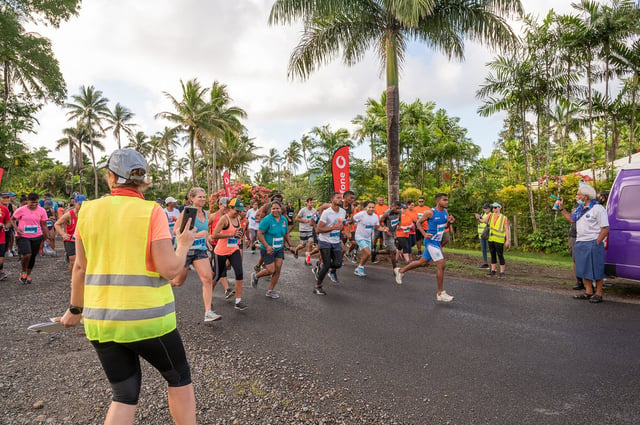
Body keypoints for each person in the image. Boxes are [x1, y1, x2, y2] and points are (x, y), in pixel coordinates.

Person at [60, 148, 197, 425]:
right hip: (148, 320)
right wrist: (182, 245)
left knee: (124, 394)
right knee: (178, 376)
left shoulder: (87, 210)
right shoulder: (151, 211)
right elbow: (170, 269)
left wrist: (75, 309)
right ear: (142, 179)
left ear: (110, 176)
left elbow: (80, 267)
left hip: (101, 322)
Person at [171, 188, 222, 322]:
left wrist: (206, 240)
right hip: (185, 250)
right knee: (177, 282)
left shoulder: (206, 214)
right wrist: (194, 235)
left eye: (204, 197)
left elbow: (204, 232)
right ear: (192, 198)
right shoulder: (187, 212)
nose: (203, 199)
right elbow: (176, 231)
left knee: (207, 278)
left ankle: (208, 312)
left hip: (199, 250)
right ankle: (159, 288)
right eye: (200, 197)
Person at [394, 193, 455, 302]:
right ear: (438, 201)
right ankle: (440, 293)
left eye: (447, 200)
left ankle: (401, 271)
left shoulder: (445, 212)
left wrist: (449, 223)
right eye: (444, 200)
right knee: (441, 265)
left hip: (437, 242)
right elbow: (418, 223)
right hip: (430, 241)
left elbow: (443, 227)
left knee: (422, 263)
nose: (447, 202)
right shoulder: (430, 212)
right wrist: (424, 234)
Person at [557, 183, 609, 303]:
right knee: (583, 268)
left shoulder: (597, 208)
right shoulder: (580, 209)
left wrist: (597, 242)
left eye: (578, 195)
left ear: (585, 196)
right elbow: (571, 219)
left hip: (593, 242)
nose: (576, 196)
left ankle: (599, 294)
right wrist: (561, 209)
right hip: (580, 242)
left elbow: (605, 228)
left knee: (596, 268)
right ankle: (588, 291)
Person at [211, 198, 247, 310]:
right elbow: (214, 235)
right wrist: (231, 234)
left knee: (239, 273)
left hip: (233, 249)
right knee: (217, 276)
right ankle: (208, 296)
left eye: (240, 210)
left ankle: (238, 301)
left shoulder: (239, 217)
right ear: (230, 208)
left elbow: (239, 232)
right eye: (237, 210)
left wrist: (241, 237)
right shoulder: (224, 219)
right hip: (221, 251)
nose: (239, 212)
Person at [251, 201, 292, 299]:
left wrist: (290, 245)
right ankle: (256, 276)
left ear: (281, 209)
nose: (275, 210)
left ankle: (270, 290)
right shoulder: (267, 220)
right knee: (270, 270)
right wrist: (267, 246)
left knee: (278, 269)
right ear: (271, 209)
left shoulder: (283, 220)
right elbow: (259, 234)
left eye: (277, 208)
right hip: (267, 248)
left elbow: (286, 233)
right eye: (273, 208)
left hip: (279, 248)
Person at [312, 192, 346, 295]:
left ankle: (320, 266)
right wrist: (333, 228)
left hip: (335, 241)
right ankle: (317, 286)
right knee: (327, 265)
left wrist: (343, 233)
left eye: (341, 198)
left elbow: (340, 225)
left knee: (338, 264)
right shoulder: (327, 213)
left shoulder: (343, 212)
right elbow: (318, 229)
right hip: (325, 241)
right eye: (338, 198)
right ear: (332, 200)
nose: (341, 199)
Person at [11, 192, 50, 284]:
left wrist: (46, 235)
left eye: (36, 203)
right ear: (27, 201)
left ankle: (28, 274)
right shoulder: (21, 210)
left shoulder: (41, 210)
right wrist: (17, 229)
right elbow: (12, 219)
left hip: (37, 236)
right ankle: (23, 271)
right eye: (32, 203)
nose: (34, 205)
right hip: (23, 235)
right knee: (27, 254)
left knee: (32, 256)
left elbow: (44, 224)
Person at [352, 200, 387, 277]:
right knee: (368, 252)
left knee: (367, 254)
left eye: (373, 207)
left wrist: (383, 229)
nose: (371, 209)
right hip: (359, 236)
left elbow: (377, 227)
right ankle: (360, 268)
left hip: (368, 237)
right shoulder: (361, 214)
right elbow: (352, 219)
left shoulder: (375, 216)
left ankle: (358, 268)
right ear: (365, 208)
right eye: (369, 207)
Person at [54, 194, 87, 277]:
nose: (81, 206)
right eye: (80, 204)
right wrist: (63, 234)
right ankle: (73, 279)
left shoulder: (88, 214)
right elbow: (57, 224)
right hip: (71, 240)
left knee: (84, 261)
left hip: (83, 240)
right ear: (75, 203)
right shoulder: (69, 214)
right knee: (73, 261)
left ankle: (82, 278)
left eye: (84, 204)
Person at [480, 202, 510, 278]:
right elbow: (484, 221)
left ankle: (502, 272)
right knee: (492, 255)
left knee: (500, 255)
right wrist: (479, 218)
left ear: (499, 208)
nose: (493, 209)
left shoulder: (504, 218)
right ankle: (493, 271)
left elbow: (507, 229)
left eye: (495, 207)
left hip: (499, 240)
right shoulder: (491, 215)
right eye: (493, 207)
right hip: (491, 238)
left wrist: (508, 240)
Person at [376, 201, 402, 272]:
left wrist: (399, 225)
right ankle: (395, 268)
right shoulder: (387, 213)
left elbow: (400, 218)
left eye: (399, 208)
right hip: (387, 234)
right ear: (392, 206)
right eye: (396, 208)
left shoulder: (399, 212)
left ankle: (375, 253)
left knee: (390, 250)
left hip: (394, 233)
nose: (398, 210)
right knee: (393, 251)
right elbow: (380, 221)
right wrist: (385, 229)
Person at [293, 197, 316, 265]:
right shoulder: (303, 210)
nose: (312, 204)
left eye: (312, 202)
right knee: (303, 245)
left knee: (310, 244)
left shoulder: (314, 210)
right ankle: (296, 249)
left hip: (311, 230)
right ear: (307, 203)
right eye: (310, 202)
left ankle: (307, 260)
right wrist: (304, 220)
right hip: (303, 229)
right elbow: (296, 218)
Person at [474, 203, 491, 269]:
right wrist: (478, 219)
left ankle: (493, 264)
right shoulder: (483, 214)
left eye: (486, 208)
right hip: (481, 235)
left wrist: (480, 218)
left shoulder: (490, 214)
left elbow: (486, 221)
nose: (485, 209)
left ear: (489, 208)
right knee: (483, 249)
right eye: (484, 208)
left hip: (487, 235)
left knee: (489, 249)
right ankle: (485, 263)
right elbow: (479, 222)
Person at [0, 193, 12, 281]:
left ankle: (1, 271)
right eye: (4, 197)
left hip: (1, 237)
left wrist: (4, 226)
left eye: (7, 197)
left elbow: (8, 221)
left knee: (1, 258)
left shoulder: (4, 209)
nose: (5, 199)